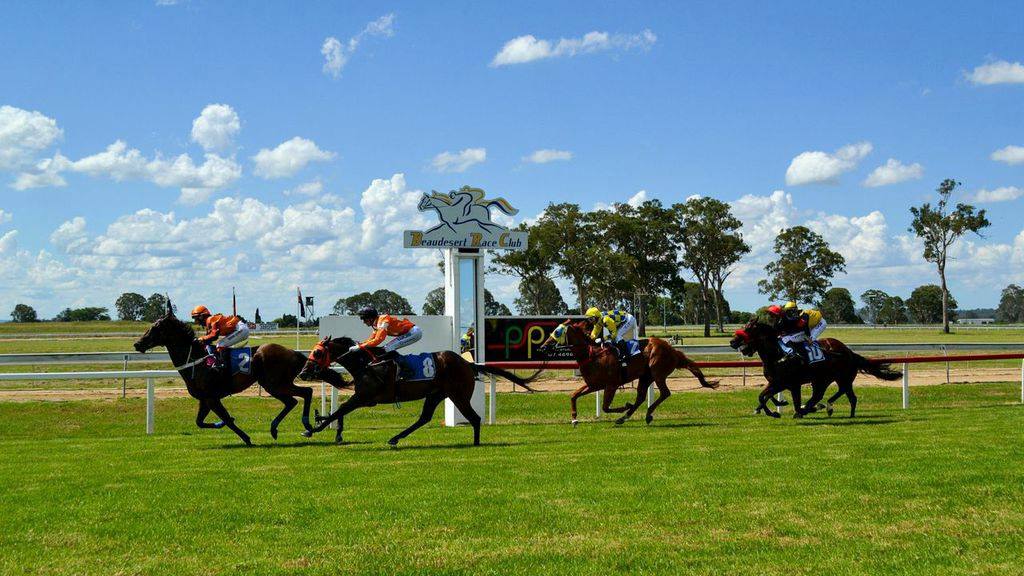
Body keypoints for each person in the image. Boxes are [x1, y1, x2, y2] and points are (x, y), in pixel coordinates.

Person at [190, 305, 250, 372]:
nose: (195, 322)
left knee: (220, 344)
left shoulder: (210, 319)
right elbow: (209, 339)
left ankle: (223, 365)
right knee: (215, 345)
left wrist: (201, 339)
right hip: (239, 329)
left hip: (241, 329)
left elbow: (214, 335)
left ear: (201, 317)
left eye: (196, 318)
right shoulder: (209, 322)